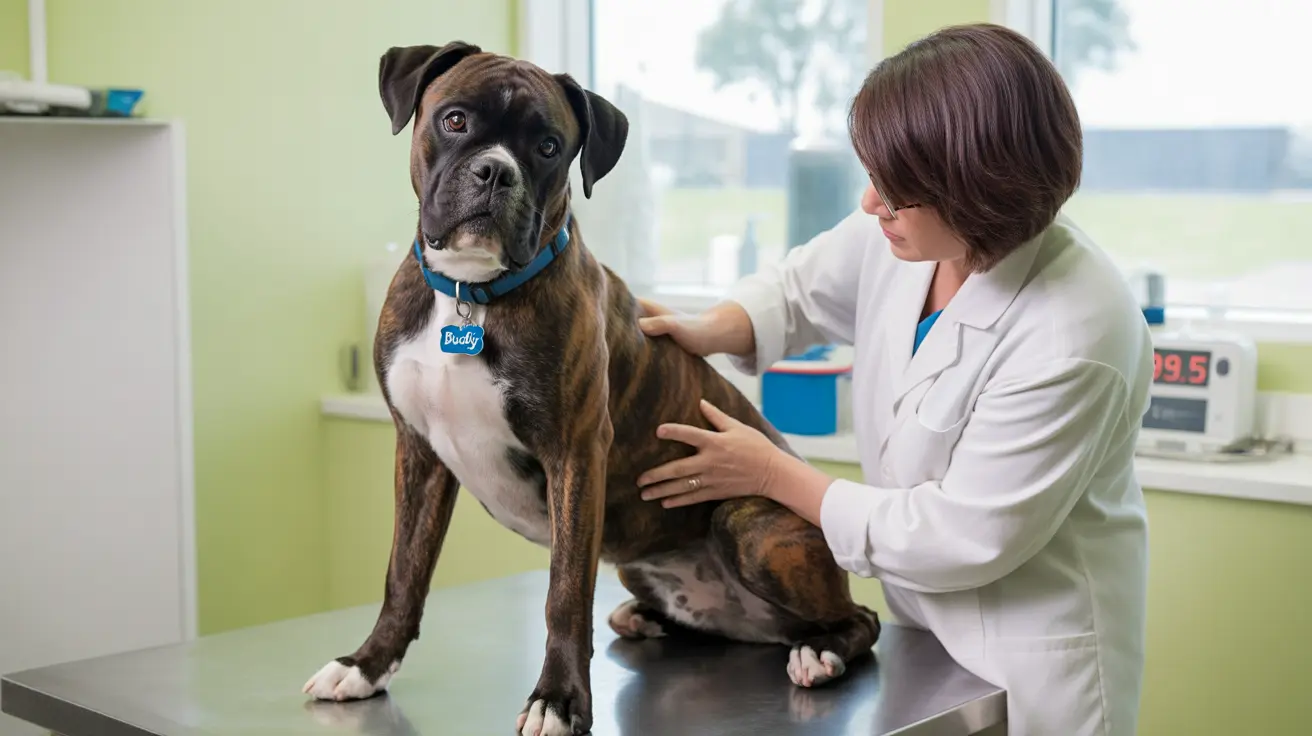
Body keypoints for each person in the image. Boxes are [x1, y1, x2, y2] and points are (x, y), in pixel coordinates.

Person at [634, 22, 1152, 736]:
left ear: (979, 191)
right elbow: (797, 289)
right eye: (875, 175)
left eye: (897, 190)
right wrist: (708, 328)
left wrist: (773, 475)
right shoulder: (910, 232)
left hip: (1029, 664)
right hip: (919, 645)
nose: (871, 204)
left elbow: (962, 535)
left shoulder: (1074, 329)